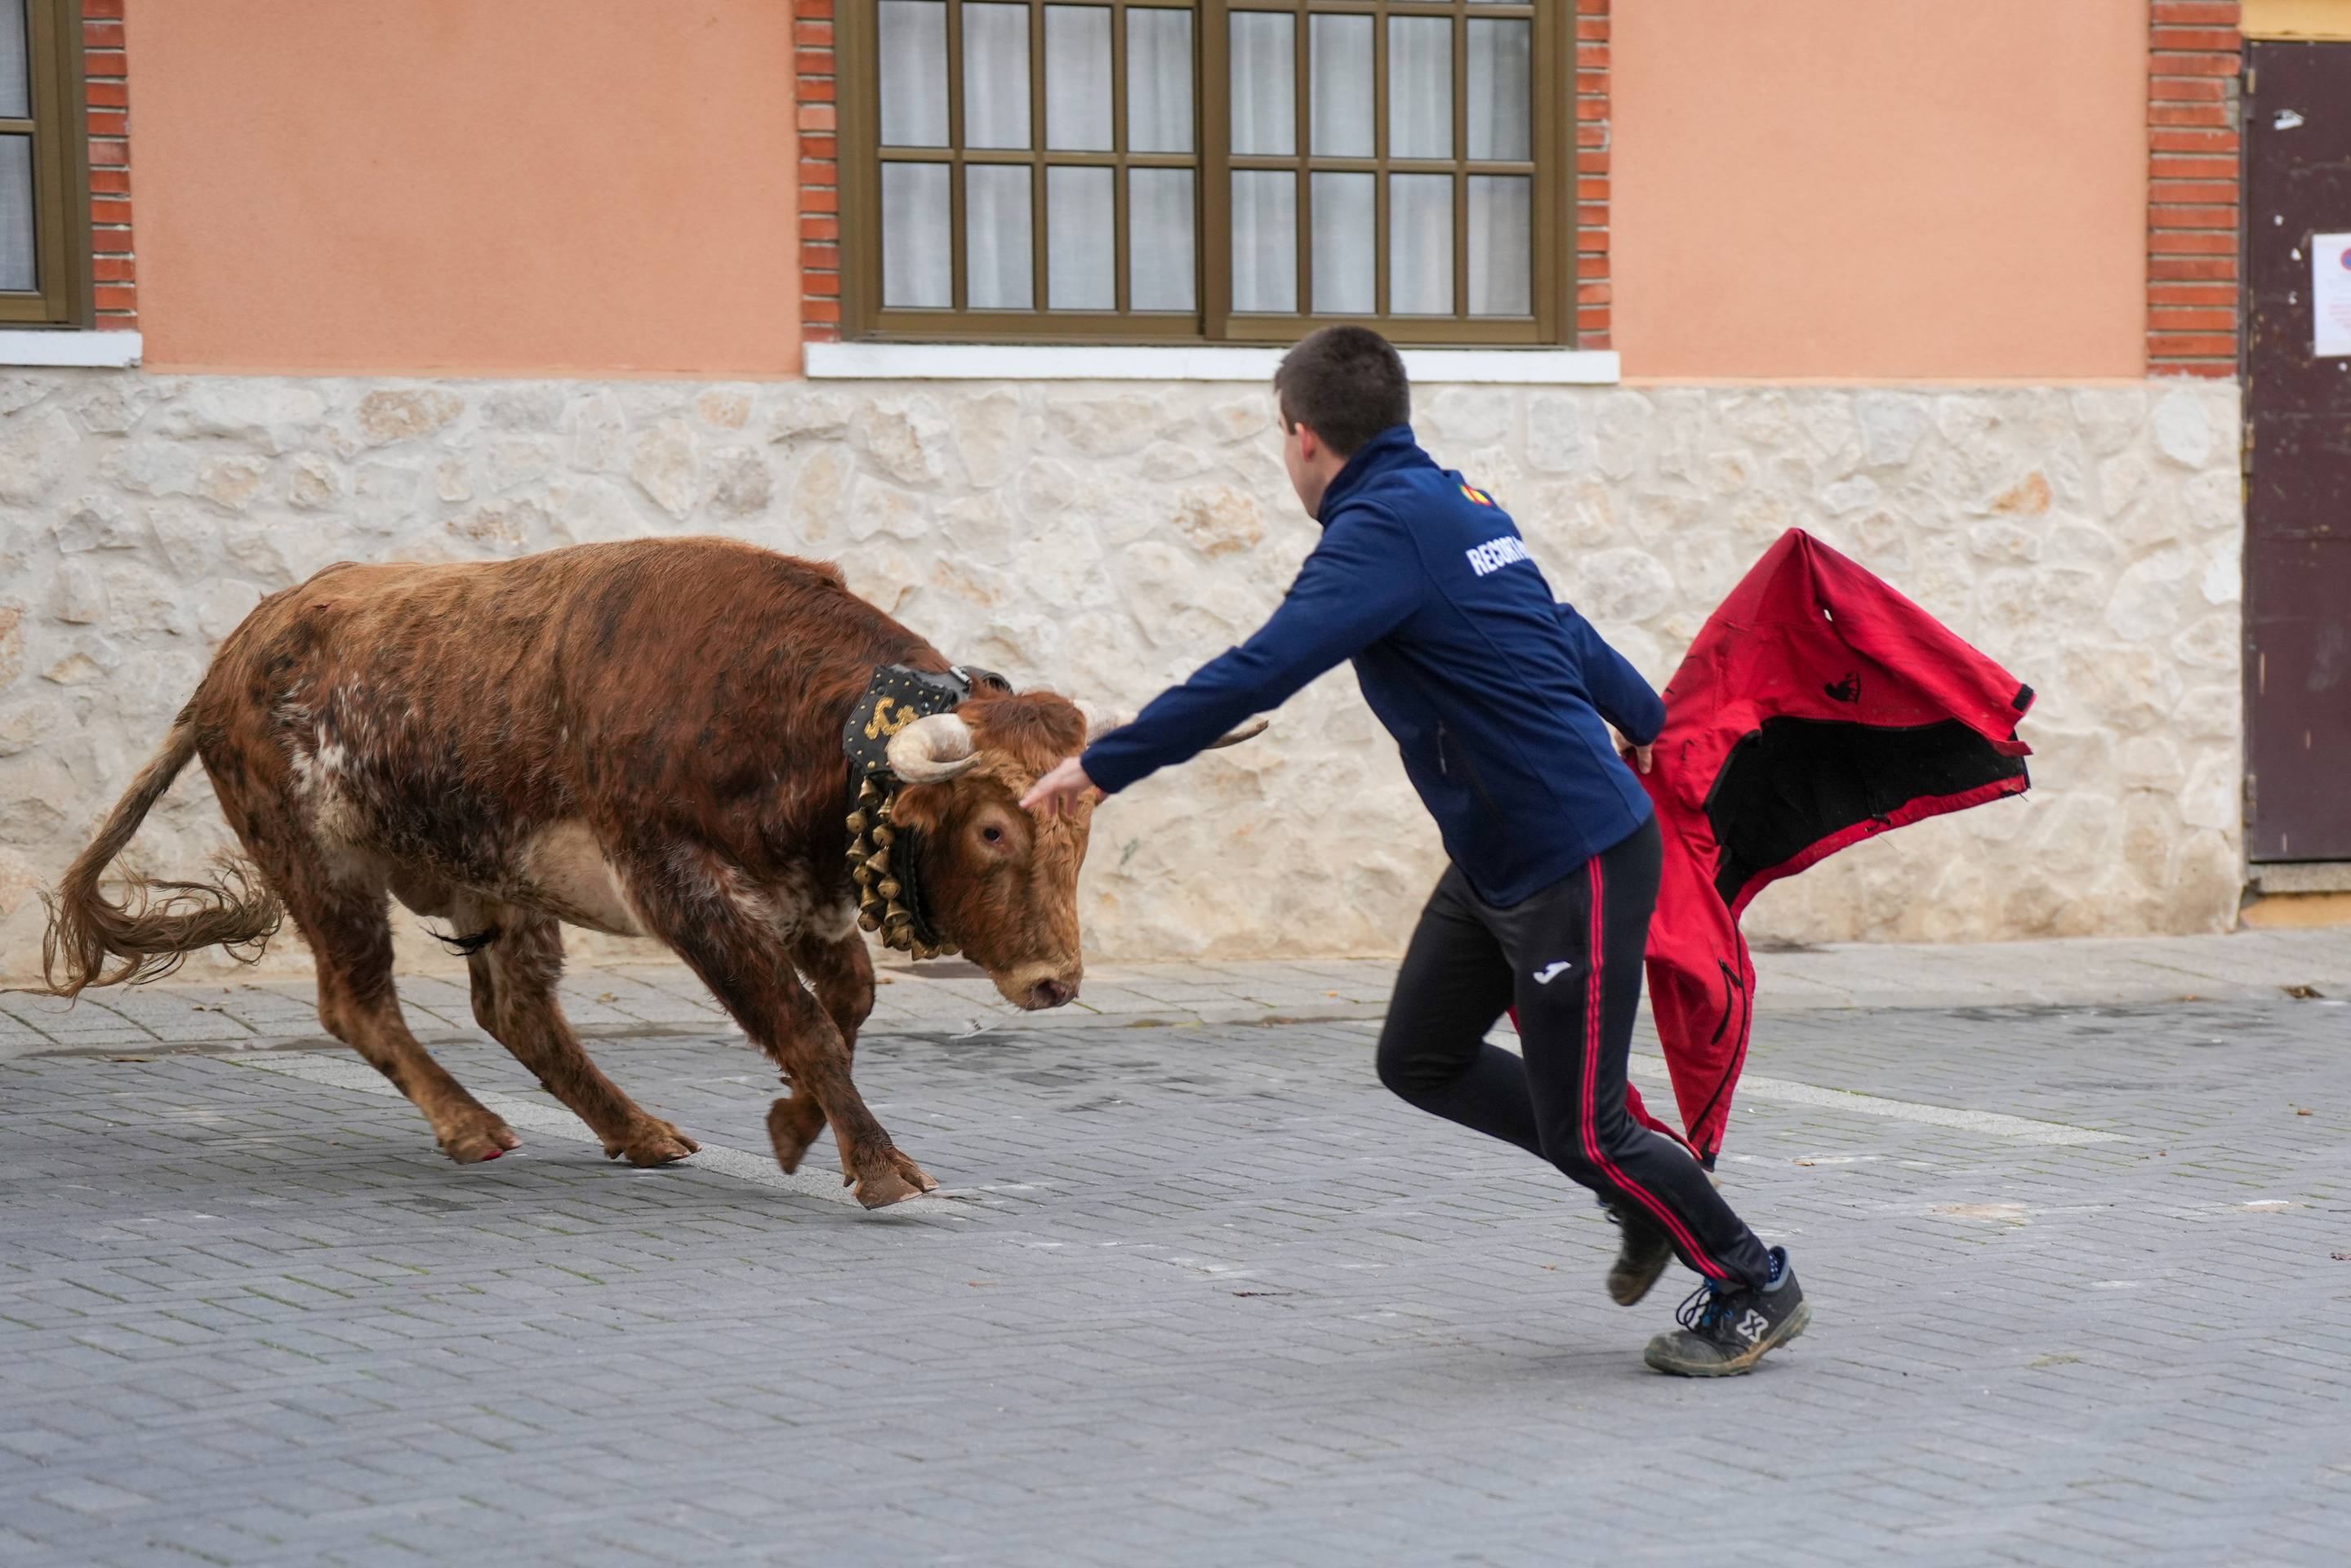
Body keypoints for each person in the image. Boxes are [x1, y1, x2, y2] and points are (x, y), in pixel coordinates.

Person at [1021, 326, 1810, 1376]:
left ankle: (1753, 1279)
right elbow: (1560, 626)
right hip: (1502, 858)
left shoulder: (1383, 531)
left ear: (1303, 438)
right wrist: (1641, 712)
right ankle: (1644, 1190)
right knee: (1421, 1058)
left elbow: (1264, 666)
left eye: (1279, 438)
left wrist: (1108, 763)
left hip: (1570, 856)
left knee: (1589, 1127)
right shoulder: (1452, 502)